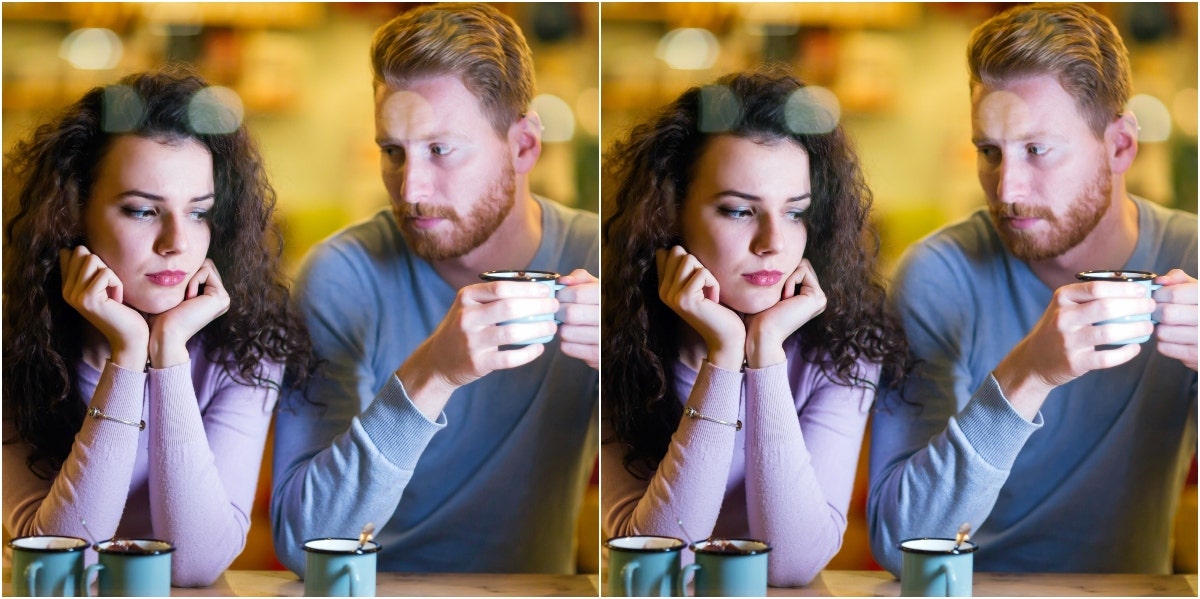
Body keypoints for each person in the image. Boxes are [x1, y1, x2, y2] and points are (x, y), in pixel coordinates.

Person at [269, 3, 600, 575]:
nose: (411, 188)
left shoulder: (598, 261)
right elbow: (303, 543)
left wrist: (635, 368)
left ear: (523, 146)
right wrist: (430, 376)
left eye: (440, 150)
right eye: (392, 152)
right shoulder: (341, 276)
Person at [868, 3, 1198, 575]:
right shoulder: (938, 276)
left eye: (1036, 150)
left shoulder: (1189, 260)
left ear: (1120, 146)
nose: (1007, 188)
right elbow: (900, 543)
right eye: (988, 152)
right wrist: (1027, 376)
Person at [2, 64, 315, 586]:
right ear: (73, 214)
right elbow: (59, 564)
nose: (177, 242)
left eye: (199, 212)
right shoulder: (12, 348)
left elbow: (195, 565)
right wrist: (127, 357)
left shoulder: (249, 348)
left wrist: (167, 354)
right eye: (143, 211)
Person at [601, 68, 911, 586]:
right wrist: (724, 356)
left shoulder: (846, 347)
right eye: (739, 210)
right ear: (670, 213)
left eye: (795, 213)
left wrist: (763, 353)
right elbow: (654, 565)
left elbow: (791, 565)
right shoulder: (616, 340)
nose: (773, 241)